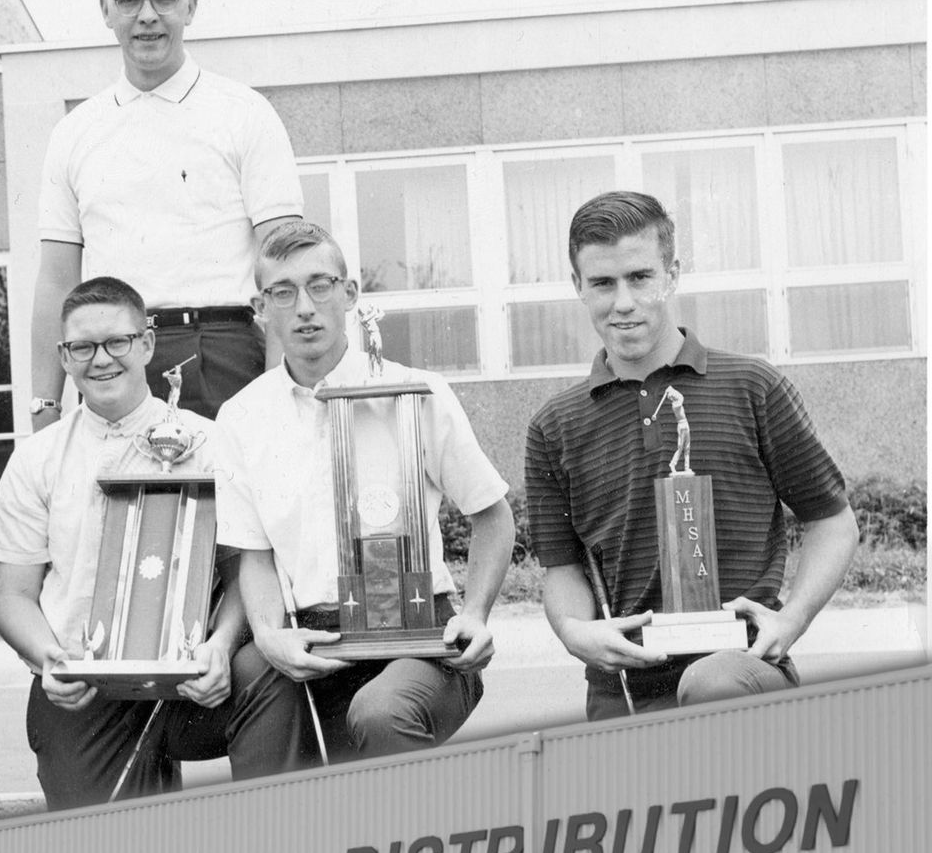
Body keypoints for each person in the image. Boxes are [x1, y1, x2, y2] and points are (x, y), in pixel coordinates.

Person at [526, 190, 859, 719]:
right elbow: (562, 567)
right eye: (603, 283)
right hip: (624, 690)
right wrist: (573, 631)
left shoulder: (753, 387)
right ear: (577, 287)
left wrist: (790, 619)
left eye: (640, 277)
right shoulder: (554, 425)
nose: (623, 302)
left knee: (711, 686)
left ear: (672, 275)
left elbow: (833, 521)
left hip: (739, 672)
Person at [0, 276, 302, 807]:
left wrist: (220, 648)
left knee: (271, 673)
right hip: (84, 689)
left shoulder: (208, 442)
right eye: (82, 347)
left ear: (147, 345)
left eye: (117, 342)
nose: (101, 360)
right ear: (64, 358)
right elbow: (13, 595)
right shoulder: (36, 459)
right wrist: (51, 661)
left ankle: (268, 830)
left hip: (196, 683)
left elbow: (242, 572)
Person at [216, 222, 516, 760]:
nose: (304, 306)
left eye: (320, 285)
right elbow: (254, 555)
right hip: (317, 637)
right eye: (283, 292)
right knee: (254, 678)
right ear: (262, 308)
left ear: (350, 294)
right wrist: (267, 633)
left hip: (421, 634)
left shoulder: (417, 392)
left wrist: (474, 614)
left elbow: (492, 516)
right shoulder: (241, 417)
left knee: (382, 714)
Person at [28, 0, 305, 428]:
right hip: (114, 360)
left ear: (191, 6)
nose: (148, 16)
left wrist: (278, 390)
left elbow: (285, 265)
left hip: (226, 359)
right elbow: (56, 281)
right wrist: (45, 407)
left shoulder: (246, 113)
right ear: (105, 10)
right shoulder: (74, 132)